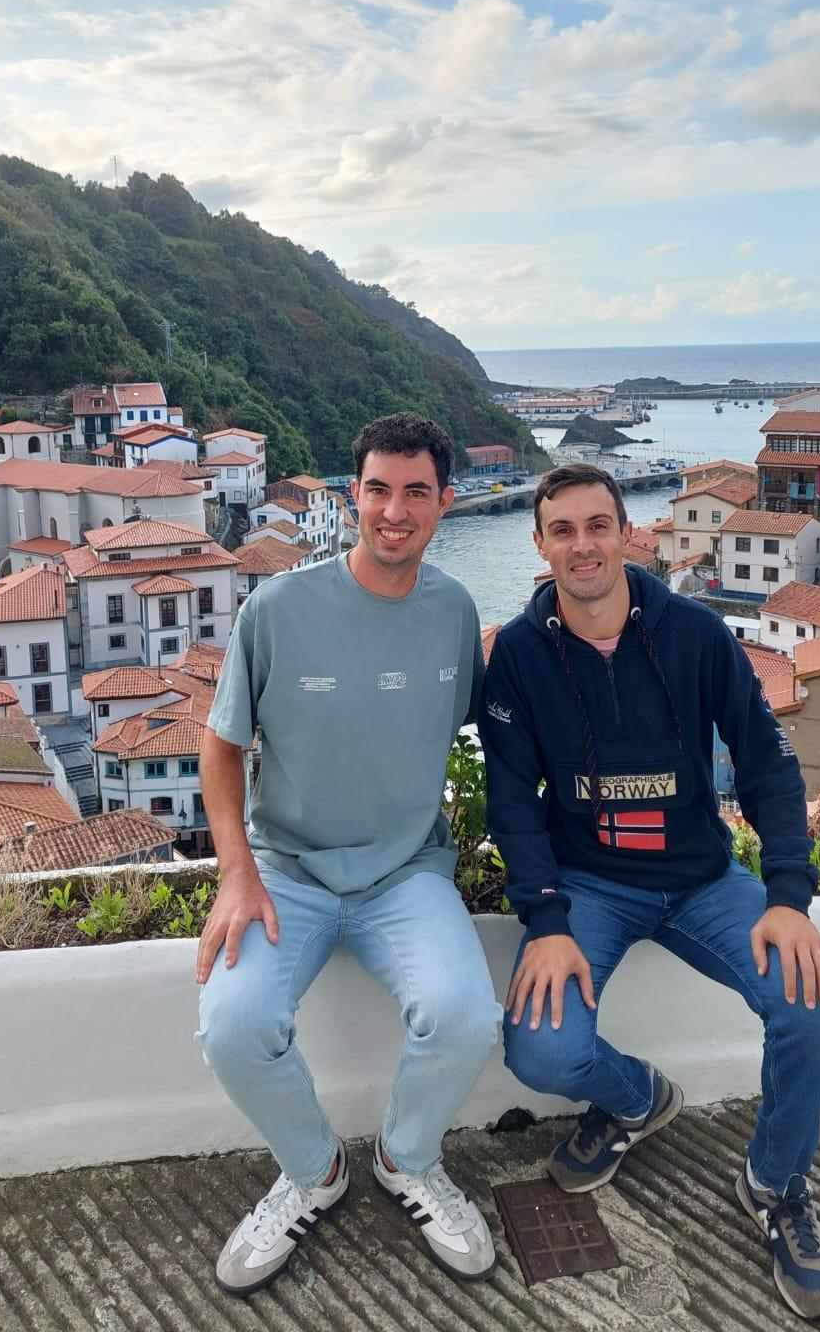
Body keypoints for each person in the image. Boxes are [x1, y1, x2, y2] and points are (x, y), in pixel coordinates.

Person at [479, 464, 820, 1322]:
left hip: (703, 880)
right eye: (563, 530)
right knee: (541, 1052)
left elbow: (766, 763)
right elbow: (512, 800)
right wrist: (546, 918)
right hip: (588, 886)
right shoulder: (520, 657)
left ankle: (776, 1184)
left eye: (597, 526)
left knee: (813, 1007)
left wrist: (787, 897)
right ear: (540, 544)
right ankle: (638, 1099)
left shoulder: (696, 635)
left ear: (625, 534)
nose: (582, 546)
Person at [196, 412, 502, 1297]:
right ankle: (314, 1171)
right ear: (353, 496)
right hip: (285, 871)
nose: (394, 511)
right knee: (233, 1027)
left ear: (445, 502)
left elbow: (489, 727)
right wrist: (236, 874)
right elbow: (221, 745)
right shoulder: (278, 608)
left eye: (415, 492)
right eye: (378, 490)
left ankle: (408, 1160)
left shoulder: (455, 610)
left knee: (465, 1015)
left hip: (405, 873)